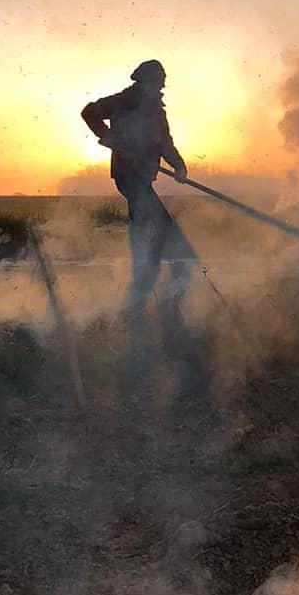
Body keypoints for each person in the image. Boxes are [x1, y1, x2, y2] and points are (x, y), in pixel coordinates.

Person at [82, 60, 205, 399]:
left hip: (141, 181)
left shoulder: (155, 109)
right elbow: (89, 111)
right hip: (130, 178)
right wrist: (109, 137)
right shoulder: (124, 100)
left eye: (162, 81)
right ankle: (152, 316)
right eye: (157, 80)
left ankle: (146, 311)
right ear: (144, 80)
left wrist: (178, 164)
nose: (161, 86)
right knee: (169, 250)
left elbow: (164, 142)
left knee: (152, 248)